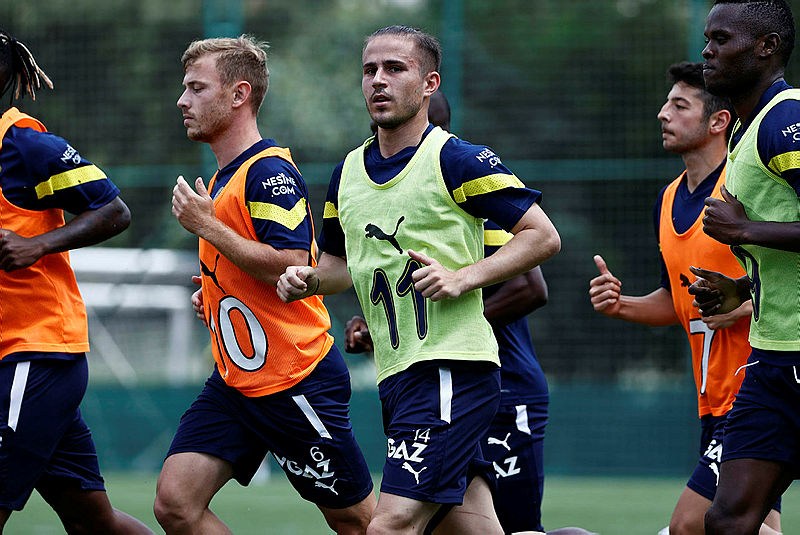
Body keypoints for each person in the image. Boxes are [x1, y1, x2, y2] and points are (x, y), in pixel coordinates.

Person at [278, 26, 560, 535]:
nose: (378, 81)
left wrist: (464, 277)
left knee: (390, 526)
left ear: (429, 83)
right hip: (399, 376)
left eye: (394, 69)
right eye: (369, 70)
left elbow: (542, 237)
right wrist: (308, 280)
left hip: (451, 371)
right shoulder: (347, 172)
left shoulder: (457, 158)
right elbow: (340, 269)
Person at [154, 35, 376, 534]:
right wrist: (215, 293)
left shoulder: (269, 171)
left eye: (195, 88)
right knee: (175, 504)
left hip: (295, 380)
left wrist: (208, 227)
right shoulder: (219, 181)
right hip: (236, 384)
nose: (182, 101)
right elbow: (252, 267)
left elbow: (293, 264)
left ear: (238, 95)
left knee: (360, 524)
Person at [348, 90, 592, 535]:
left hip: (498, 383)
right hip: (434, 384)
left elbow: (531, 286)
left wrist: (461, 292)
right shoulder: (385, 194)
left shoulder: (469, 193)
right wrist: (377, 323)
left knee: (510, 526)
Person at [590, 61, 782, 535]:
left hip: (757, 390)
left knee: (690, 525)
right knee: (751, 524)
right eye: (665, 103)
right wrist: (621, 304)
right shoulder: (668, 198)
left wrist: (743, 303)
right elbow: (679, 305)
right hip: (712, 399)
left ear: (718, 121)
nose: (662, 114)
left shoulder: (747, 189)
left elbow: (787, 284)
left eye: (679, 105)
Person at [0, 31, 152, 534]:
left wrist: (38, 245)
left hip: (34, 353)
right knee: (94, 522)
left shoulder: (24, 144)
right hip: (16, 361)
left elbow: (115, 210)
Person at [687, 1, 800, 533]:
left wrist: (743, 231)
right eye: (707, 37)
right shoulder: (746, 130)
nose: (707, 50)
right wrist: (739, 289)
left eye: (722, 38)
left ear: (766, 47)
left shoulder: (787, 118)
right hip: (772, 357)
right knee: (727, 519)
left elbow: (751, 228)